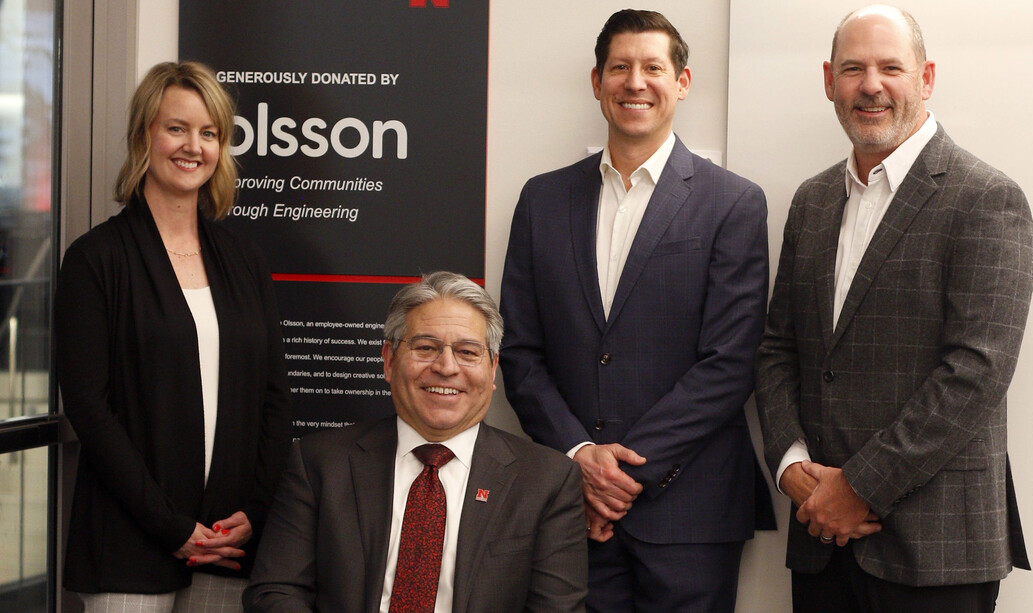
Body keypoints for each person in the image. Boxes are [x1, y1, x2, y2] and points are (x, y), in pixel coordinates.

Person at [755, 5, 1033, 612]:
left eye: (890, 67)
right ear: (829, 81)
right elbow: (779, 346)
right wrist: (791, 465)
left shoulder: (986, 198)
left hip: (934, 553)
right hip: (819, 539)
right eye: (852, 69)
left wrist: (858, 487)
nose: (871, 85)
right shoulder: (812, 201)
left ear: (926, 77)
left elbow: (976, 373)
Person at [499, 9, 774, 612]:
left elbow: (729, 363)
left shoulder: (733, 203)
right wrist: (580, 458)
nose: (635, 82)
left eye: (653, 67)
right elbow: (518, 352)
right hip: (571, 506)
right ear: (596, 82)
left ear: (682, 82)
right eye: (619, 67)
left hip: (690, 515)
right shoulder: (542, 199)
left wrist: (620, 475)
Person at [56, 61, 293, 611]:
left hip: (228, 541)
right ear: (145, 134)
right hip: (129, 542)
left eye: (209, 133)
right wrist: (170, 525)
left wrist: (253, 513)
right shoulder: (96, 259)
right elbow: (90, 408)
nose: (194, 146)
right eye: (177, 128)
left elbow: (275, 399)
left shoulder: (243, 259)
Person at [243, 271, 587, 613]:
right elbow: (275, 593)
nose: (447, 367)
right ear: (390, 361)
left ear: (492, 368)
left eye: (468, 352)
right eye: (426, 348)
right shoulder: (318, 463)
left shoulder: (548, 481)